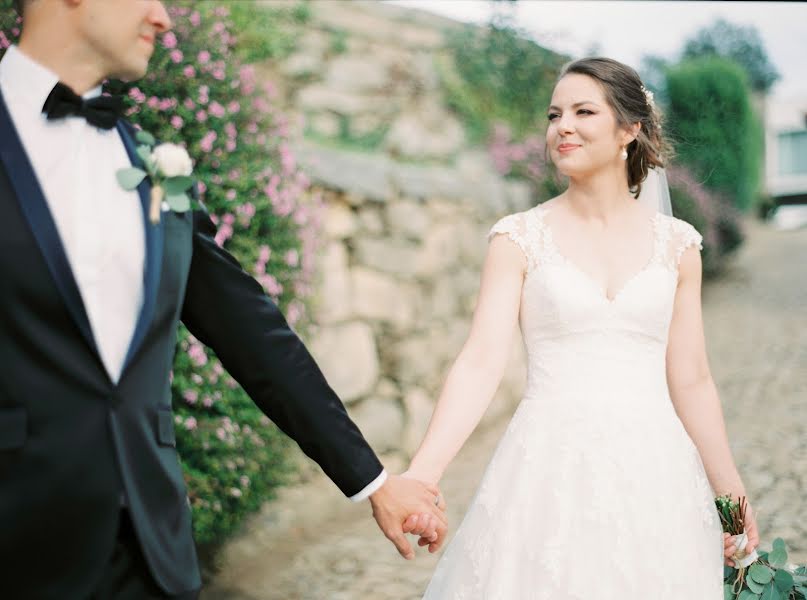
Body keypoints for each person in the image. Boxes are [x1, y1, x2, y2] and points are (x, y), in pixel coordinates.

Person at [0, 1, 446, 598]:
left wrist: (374, 481)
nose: (163, 18)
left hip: (150, 557)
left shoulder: (151, 164)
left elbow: (252, 332)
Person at [405, 57, 758, 598]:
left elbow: (691, 379)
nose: (561, 126)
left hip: (656, 475)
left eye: (583, 111)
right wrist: (422, 475)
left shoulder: (679, 246)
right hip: (546, 473)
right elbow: (480, 361)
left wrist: (730, 495)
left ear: (629, 129)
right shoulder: (518, 239)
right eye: (554, 114)